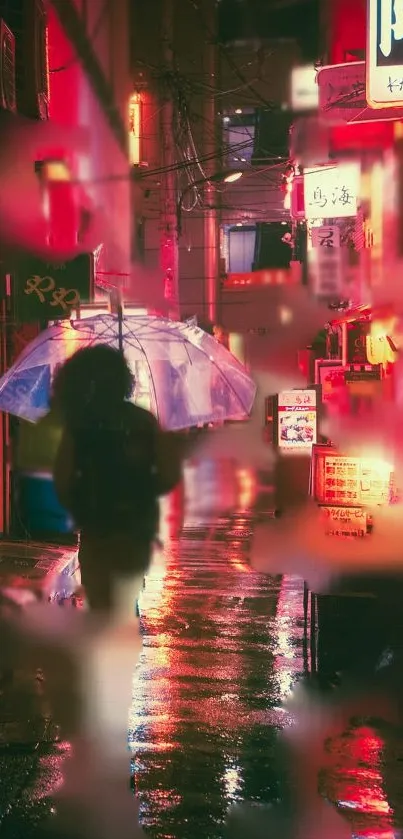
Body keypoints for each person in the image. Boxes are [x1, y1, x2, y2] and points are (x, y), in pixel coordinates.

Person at [51, 345, 186, 615]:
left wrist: (81, 507)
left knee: (100, 603)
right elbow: (169, 472)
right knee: (126, 598)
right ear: (125, 380)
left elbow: (63, 479)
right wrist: (143, 492)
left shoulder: (80, 425)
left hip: (96, 528)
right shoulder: (142, 422)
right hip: (135, 529)